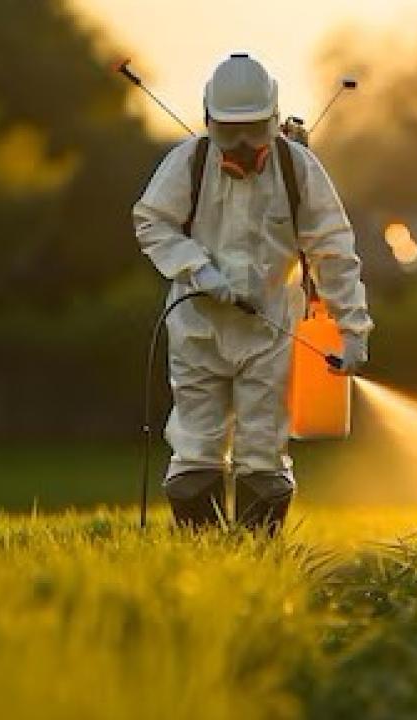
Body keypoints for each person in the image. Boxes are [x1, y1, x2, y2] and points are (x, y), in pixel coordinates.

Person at [132, 53, 373, 535]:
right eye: (229, 130)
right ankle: (201, 562)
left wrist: (353, 330)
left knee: (262, 451)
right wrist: (198, 271)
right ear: (208, 121)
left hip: (271, 334)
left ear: (273, 119)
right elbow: (152, 222)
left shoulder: (297, 168)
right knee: (196, 447)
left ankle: (255, 557)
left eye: (253, 129)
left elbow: (333, 249)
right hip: (198, 330)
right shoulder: (188, 163)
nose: (242, 143)